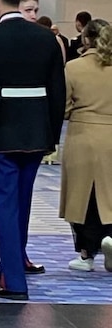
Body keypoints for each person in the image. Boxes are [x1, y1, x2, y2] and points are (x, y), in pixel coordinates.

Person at [0, 0, 67, 300]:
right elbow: (58, 92)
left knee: (2, 202)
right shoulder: (46, 39)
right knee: (17, 201)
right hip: (37, 132)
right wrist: (51, 136)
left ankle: (12, 279)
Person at [59, 19, 112, 272]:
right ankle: (110, 238)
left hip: (82, 136)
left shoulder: (73, 67)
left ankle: (86, 254)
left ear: (86, 38)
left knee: (82, 198)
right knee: (110, 195)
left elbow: (65, 106)